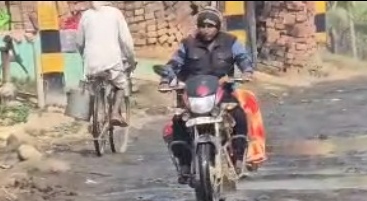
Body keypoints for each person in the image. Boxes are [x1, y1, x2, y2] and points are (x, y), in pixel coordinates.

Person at [159, 8, 254, 184]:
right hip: (193, 94)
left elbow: (243, 58)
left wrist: (247, 71)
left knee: (239, 115)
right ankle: (184, 164)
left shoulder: (231, 42)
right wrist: (165, 79)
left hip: (222, 92)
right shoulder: (188, 44)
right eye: (202, 26)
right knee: (178, 121)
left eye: (210, 26)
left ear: (218, 27)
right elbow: (174, 64)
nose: (206, 29)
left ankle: (239, 158)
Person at [75, 1, 136, 126]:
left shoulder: (86, 15)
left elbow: (79, 42)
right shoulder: (116, 13)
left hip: (91, 62)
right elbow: (126, 42)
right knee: (121, 84)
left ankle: (98, 115)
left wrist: (85, 56)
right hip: (112, 61)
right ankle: (115, 113)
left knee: (94, 84)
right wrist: (131, 60)